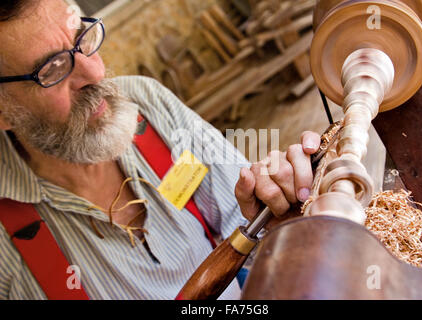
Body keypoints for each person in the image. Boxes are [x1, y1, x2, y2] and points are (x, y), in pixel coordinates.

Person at [0, 0, 320, 300]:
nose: (96, 73)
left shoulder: (145, 104)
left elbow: (254, 235)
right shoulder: (6, 245)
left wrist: (276, 214)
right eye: (53, 68)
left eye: (81, 37)